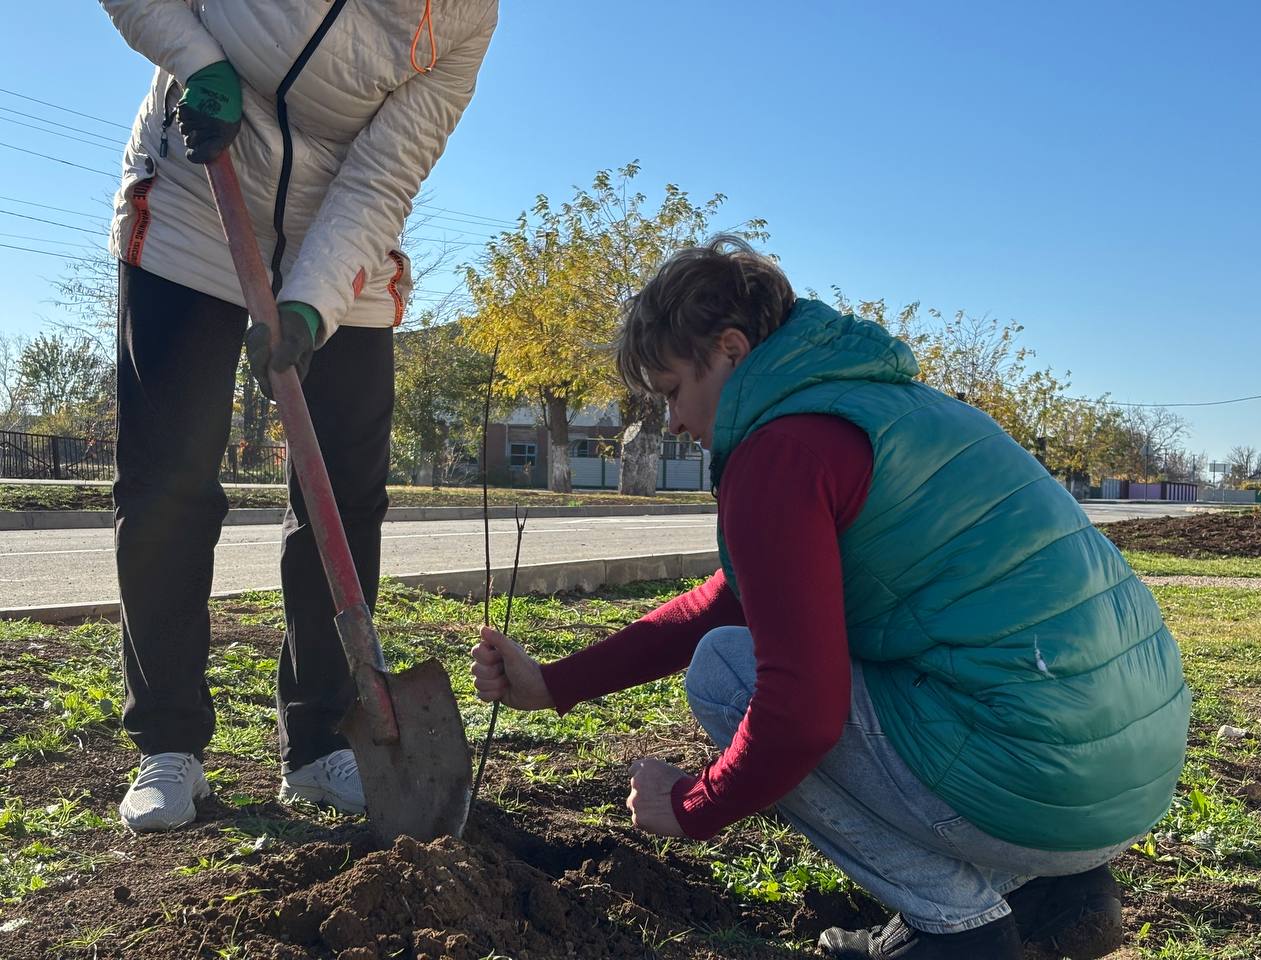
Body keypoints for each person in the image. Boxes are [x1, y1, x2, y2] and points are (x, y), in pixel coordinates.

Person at [470, 236, 1190, 960]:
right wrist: (554, 683)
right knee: (784, 650)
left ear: (729, 350)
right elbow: (734, 599)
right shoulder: (892, 409)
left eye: (671, 391)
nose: (674, 423)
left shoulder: (780, 455)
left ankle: (958, 929)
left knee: (727, 672)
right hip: (1124, 783)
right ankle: (1053, 898)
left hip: (1036, 786)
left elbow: (800, 714)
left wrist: (691, 807)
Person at [100, 0, 498, 831]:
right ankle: (169, 744)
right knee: (167, 483)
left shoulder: (465, 15)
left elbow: (384, 171)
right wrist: (195, 55)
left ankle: (322, 741)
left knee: (346, 498)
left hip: (339, 240)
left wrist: (312, 305)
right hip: (193, 203)